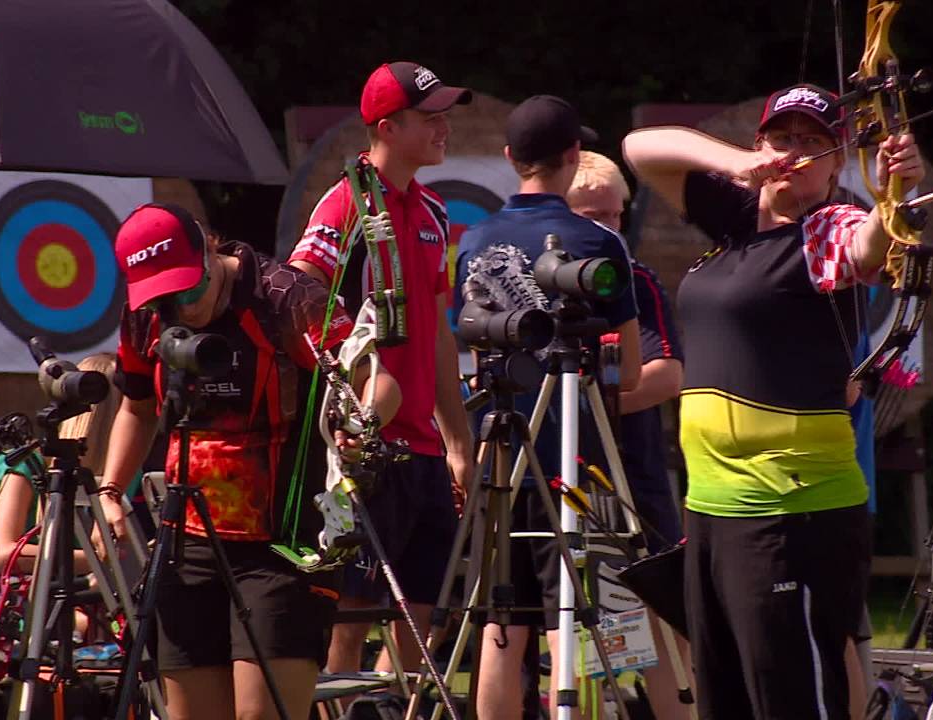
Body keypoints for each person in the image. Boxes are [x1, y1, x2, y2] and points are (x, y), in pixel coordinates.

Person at [622, 83, 924, 719]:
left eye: (814, 144)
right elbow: (640, 148)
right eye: (782, 138)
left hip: (792, 513)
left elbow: (868, 244)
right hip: (713, 510)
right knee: (726, 698)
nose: (795, 153)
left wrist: (893, 194)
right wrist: (737, 164)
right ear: (760, 143)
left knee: (792, 700)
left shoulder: (827, 229)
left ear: (838, 164)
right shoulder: (733, 219)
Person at [98, 204, 400, 720]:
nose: (180, 308)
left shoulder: (287, 297)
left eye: (187, 290)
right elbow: (136, 406)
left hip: (285, 545)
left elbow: (376, 379)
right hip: (187, 543)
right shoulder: (145, 313)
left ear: (209, 251)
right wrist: (110, 490)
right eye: (164, 298)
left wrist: (361, 423)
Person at [453, 96, 641, 720]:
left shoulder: (473, 240)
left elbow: (469, 344)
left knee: (500, 624)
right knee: (574, 620)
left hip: (500, 453)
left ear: (510, 157)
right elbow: (627, 371)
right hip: (575, 461)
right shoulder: (599, 241)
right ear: (573, 156)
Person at [288, 60, 476, 676]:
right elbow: (296, 297)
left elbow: (438, 335)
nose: (444, 127)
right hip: (365, 453)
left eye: (445, 115)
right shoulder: (346, 200)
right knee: (348, 624)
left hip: (423, 450)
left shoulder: (434, 211)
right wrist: (351, 407)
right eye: (430, 117)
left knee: (419, 629)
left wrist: (457, 442)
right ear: (388, 127)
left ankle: (396, 710)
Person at [565, 151, 689, 720]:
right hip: (562, 477)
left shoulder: (634, 279)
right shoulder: (535, 280)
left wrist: (595, 403)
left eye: (617, 215)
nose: (609, 228)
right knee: (568, 620)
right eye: (594, 217)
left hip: (632, 476)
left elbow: (668, 374)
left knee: (663, 616)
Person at [0, 352, 134, 575]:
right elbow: (2, 554)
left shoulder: (126, 473)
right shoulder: (25, 466)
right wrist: (101, 562)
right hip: (19, 594)